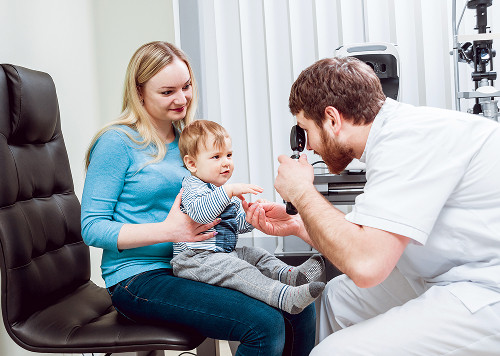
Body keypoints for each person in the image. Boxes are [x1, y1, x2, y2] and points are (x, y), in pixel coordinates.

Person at [244, 56, 500, 355]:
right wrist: (300, 225)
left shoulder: (408, 141)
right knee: (337, 298)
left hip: (486, 290)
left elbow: (367, 265)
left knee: (335, 352)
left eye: (305, 130)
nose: (308, 146)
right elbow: (364, 240)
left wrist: (301, 191)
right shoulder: (394, 136)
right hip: (452, 273)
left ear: (332, 119)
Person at [81, 41, 317, 356]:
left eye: (186, 86)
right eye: (167, 92)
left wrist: (248, 217)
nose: (181, 98)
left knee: (300, 306)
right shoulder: (117, 143)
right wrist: (168, 231)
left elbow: (206, 209)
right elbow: (92, 227)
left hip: (197, 263)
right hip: (138, 278)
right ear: (139, 93)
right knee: (264, 325)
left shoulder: (190, 143)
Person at [171, 119, 326, 314]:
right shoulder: (193, 187)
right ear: (192, 164)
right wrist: (228, 192)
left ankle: (291, 276)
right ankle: (283, 296)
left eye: (228, 155)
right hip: (194, 260)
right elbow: (201, 214)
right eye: (216, 157)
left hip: (222, 254)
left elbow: (236, 225)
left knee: (257, 254)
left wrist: (254, 215)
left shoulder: (222, 191)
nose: (226, 162)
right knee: (239, 269)